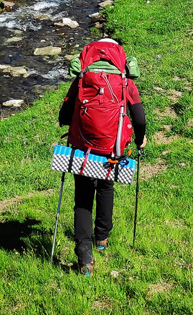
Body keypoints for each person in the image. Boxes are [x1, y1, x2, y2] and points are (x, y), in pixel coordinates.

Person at [58, 38, 146, 276]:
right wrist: (140, 139)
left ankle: (84, 256)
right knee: (106, 187)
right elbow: (139, 117)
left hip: (82, 148)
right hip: (111, 148)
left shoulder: (82, 78)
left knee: (83, 196)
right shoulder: (125, 81)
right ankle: (102, 238)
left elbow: (64, 115)